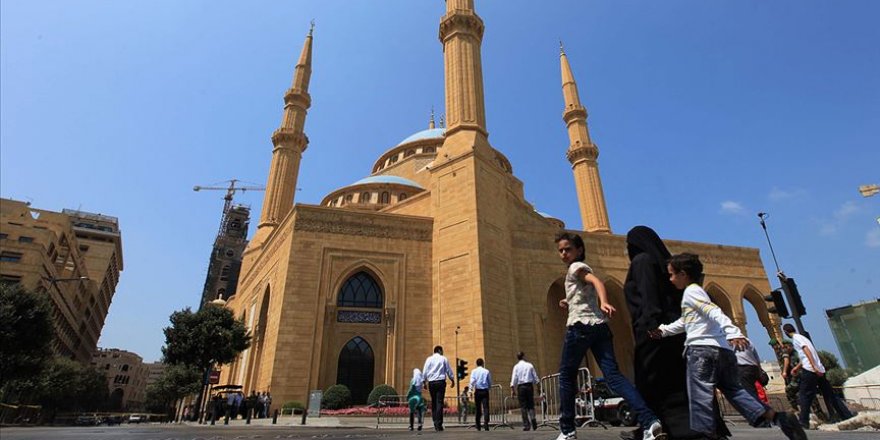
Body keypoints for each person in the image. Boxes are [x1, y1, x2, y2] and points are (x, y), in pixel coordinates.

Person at [649, 253, 806, 440]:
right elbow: (687, 321)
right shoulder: (697, 293)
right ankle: (779, 418)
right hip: (723, 351)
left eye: (672, 274)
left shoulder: (691, 292)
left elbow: (713, 310)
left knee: (700, 398)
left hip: (701, 352)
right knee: (736, 392)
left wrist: (733, 331)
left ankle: (706, 436)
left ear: (683, 274)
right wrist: (664, 331)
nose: (670, 279)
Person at [554, 232, 665, 440]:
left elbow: (596, 281)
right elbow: (584, 294)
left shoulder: (575, 267)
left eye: (568, 249)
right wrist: (568, 301)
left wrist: (604, 301)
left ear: (579, 250)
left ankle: (567, 430)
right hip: (600, 327)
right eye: (560, 250)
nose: (563, 254)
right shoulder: (578, 270)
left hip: (580, 328)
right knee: (614, 376)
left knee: (567, 377)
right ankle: (650, 421)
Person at [624, 226, 728, 440]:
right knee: (683, 382)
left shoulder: (642, 261)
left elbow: (649, 297)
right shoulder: (665, 265)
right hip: (677, 334)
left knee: (652, 381)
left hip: (654, 333)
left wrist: (650, 327)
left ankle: (659, 427)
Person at [784, 323, 853, 427]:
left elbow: (806, 351)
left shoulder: (796, 339)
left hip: (810, 369)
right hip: (819, 369)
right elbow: (806, 355)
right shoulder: (803, 338)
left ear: (785, 332)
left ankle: (803, 421)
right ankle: (847, 416)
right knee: (830, 394)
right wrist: (797, 367)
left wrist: (813, 366)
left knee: (804, 395)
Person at [423, 345, 454, 431]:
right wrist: (452, 379)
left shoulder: (429, 359)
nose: (443, 352)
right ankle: (439, 424)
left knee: (434, 402)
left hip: (432, 382)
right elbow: (448, 370)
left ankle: (435, 422)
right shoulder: (443, 359)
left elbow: (425, 371)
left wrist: (424, 382)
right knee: (439, 402)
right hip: (440, 382)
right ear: (439, 351)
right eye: (442, 351)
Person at [510, 351, 540, 431]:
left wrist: (512, 390)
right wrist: (538, 388)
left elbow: (514, 378)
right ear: (523, 356)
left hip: (521, 387)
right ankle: (533, 419)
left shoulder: (516, 367)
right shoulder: (529, 365)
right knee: (530, 404)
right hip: (529, 386)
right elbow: (535, 377)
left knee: (523, 406)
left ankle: (526, 425)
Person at [469, 358, 492, 431]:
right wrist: (489, 387)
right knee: (486, 408)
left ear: (476, 364)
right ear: (482, 363)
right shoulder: (486, 371)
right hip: (485, 391)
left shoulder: (474, 371)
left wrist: (470, 391)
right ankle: (486, 424)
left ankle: (478, 425)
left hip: (478, 391)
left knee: (478, 408)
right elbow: (489, 381)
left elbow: (472, 381)